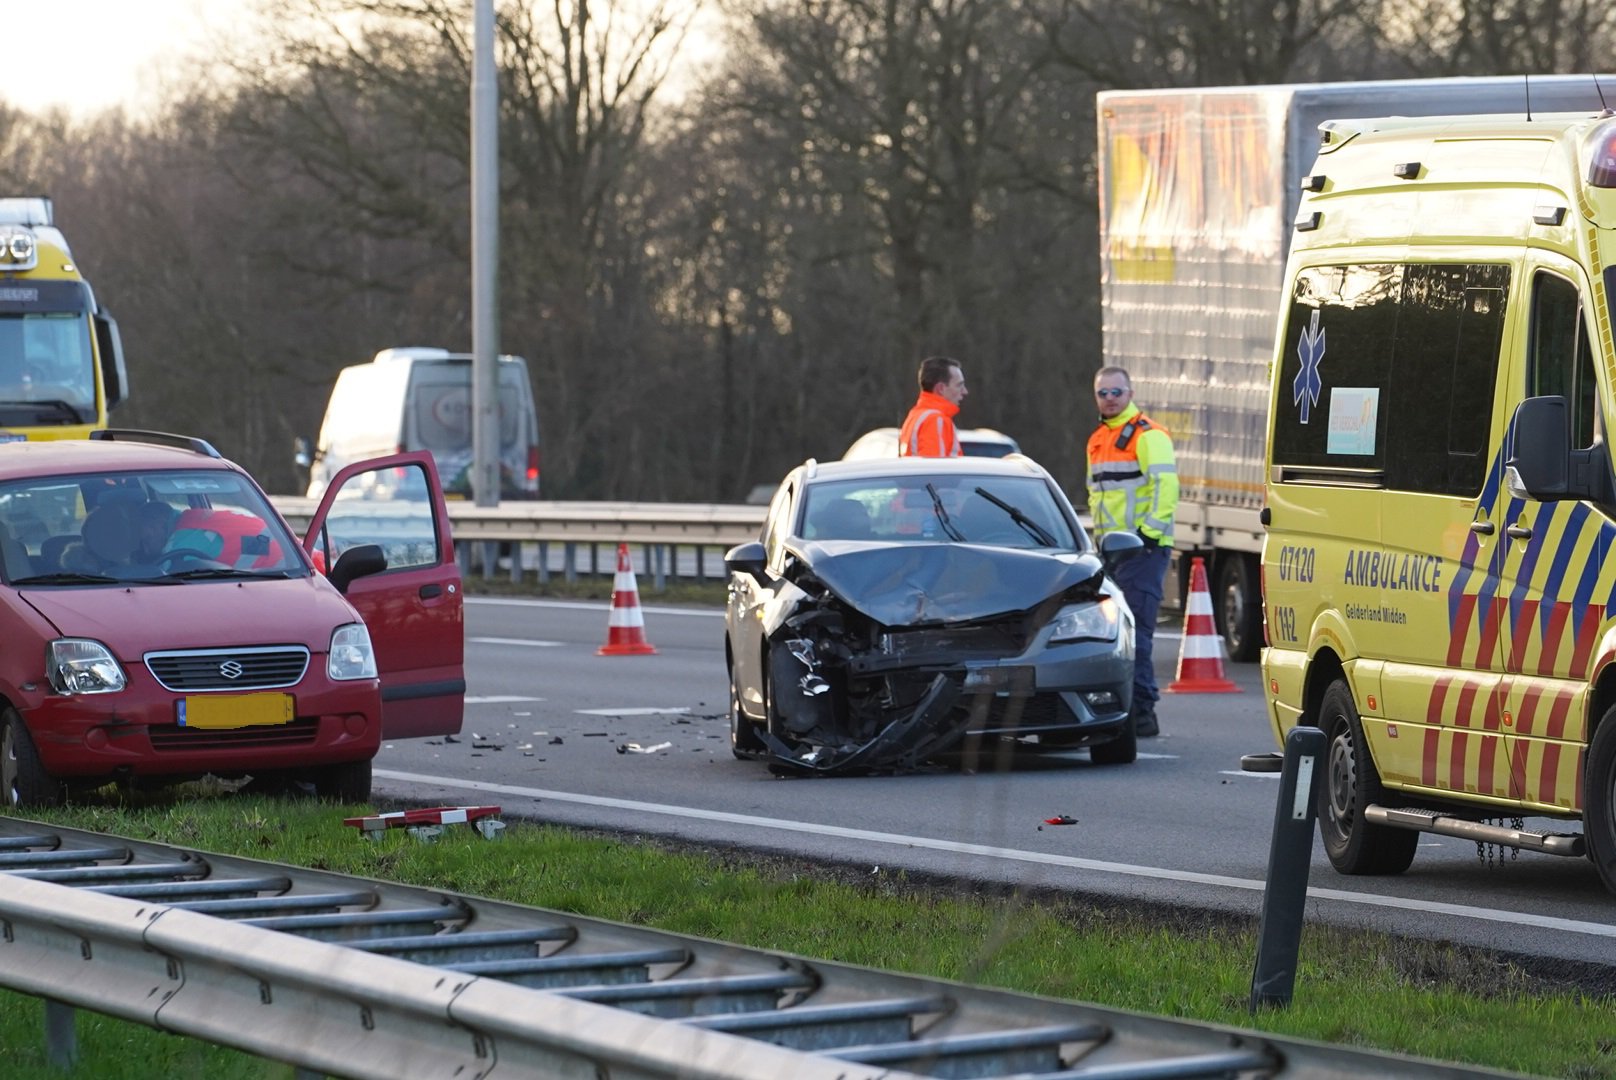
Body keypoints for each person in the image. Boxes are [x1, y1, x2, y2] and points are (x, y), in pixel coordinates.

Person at [1086, 366, 1178, 738]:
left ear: (1130, 392)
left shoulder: (1148, 435)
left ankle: (1142, 710)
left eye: (1116, 392)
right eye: (1103, 393)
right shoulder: (1096, 439)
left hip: (1142, 550)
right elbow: (1098, 499)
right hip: (1112, 554)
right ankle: (1125, 708)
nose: (1109, 399)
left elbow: (1166, 489)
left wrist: (1147, 535)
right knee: (1118, 632)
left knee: (1136, 631)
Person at [899, 356, 967, 457]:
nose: (965, 392)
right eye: (959, 385)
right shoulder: (935, 420)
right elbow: (936, 469)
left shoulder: (916, 415)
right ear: (941, 388)